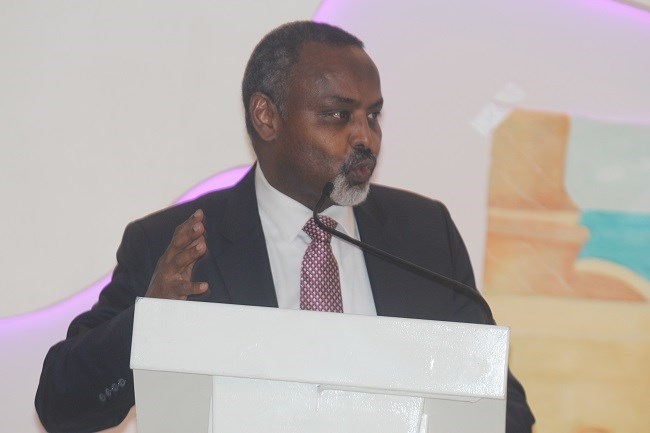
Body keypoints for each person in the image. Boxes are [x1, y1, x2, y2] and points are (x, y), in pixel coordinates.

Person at [35, 21, 535, 432]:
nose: (365, 138)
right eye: (338, 115)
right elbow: (61, 405)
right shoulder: (177, 244)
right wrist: (149, 320)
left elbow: (506, 411)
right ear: (266, 117)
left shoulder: (424, 234)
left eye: (373, 116)